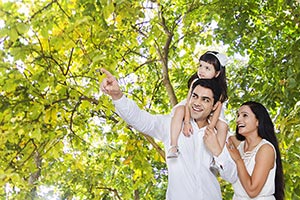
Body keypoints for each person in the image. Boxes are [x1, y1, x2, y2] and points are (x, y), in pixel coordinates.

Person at [100, 68, 237, 199]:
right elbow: (140, 119)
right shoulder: (172, 126)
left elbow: (232, 176)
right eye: (194, 96)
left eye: (205, 100)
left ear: (214, 106)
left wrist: (217, 152)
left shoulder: (220, 135)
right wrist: (117, 95)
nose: (197, 103)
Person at [167, 51, 229, 159]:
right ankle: (173, 145)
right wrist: (186, 122)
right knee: (179, 111)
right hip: (192, 106)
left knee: (223, 126)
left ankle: (217, 157)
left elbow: (218, 109)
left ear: (217, 73)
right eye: (200, 66)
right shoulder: (196, 82)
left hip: (212, 112)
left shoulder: (218, 88)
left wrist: (211, 127)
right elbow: (188, 102)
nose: (201, 70)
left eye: (207, 68)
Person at [226, 101, 284, 200]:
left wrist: (238, 160)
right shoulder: (239, 145)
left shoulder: (265, 149)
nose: (238, 120)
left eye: (245, 115)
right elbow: (220, 128)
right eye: (238, 115)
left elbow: (252, 191)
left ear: (258, 121)